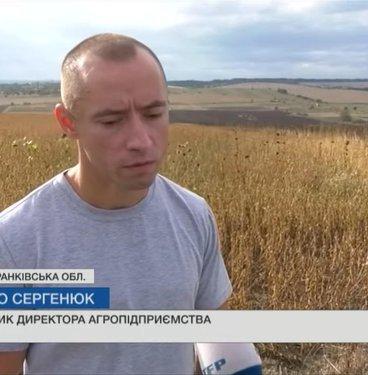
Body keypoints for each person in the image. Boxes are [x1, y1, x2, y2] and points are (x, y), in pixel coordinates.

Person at [0, 33, 232, 375]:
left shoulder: (194, 215)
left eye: (154, 114)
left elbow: (216, 346)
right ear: (67, 122)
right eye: (112, 121)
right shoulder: (16, 240)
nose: (141, 140)